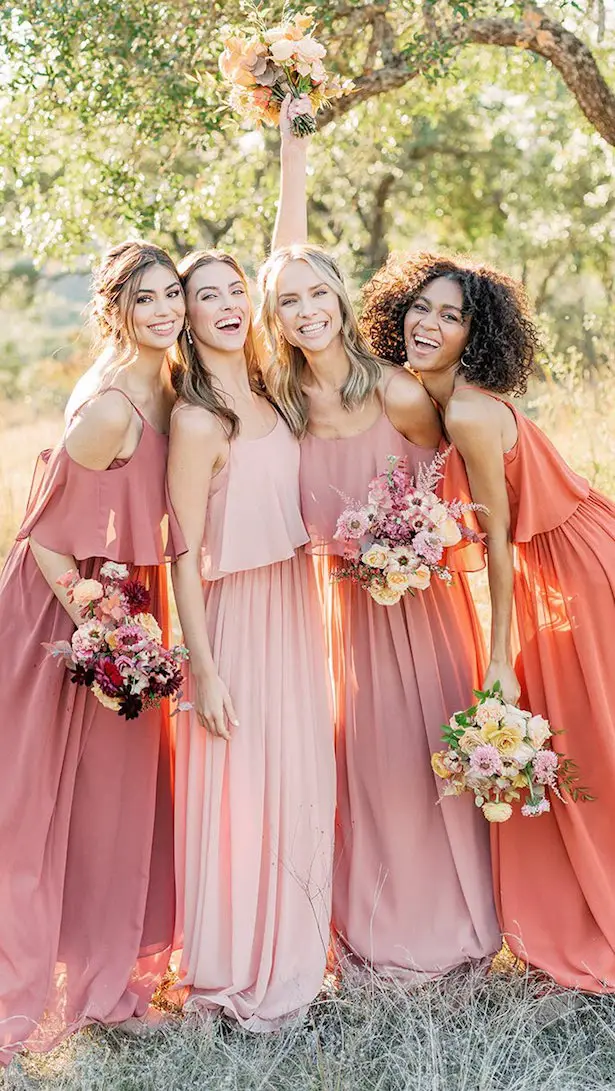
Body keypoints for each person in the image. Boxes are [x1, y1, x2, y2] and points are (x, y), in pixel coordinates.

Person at [257, 118, 500, 980]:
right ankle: (369, 932)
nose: (308, 310)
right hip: (343, 615)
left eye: (320, 293)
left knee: (429, 756)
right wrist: (291, 154)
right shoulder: (281, 402)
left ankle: (456, 932)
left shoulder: (395, 392)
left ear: (341, 297)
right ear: (275, 317)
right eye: (291, 301)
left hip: (423, 610)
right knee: (364, 766)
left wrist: (415, 543)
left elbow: (458, 492)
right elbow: (281, 263)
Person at [360, 250, 615, 991]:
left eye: (450, 315)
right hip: (551, 561)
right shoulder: (425, 399)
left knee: (586, 731)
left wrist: (498, 657)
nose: (427, 324)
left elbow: (500, 544)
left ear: (476, 336)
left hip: (570, 563)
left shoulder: (468, 410)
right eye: (420, 307)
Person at [0, 241, 186, 1063]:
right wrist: (92, 616)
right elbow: (41, 528)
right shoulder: (112, 401)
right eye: (145, 299)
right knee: (39, 801)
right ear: (116, 308)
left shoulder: (172, 381)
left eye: (172, 293)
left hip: (125, 600)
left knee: (115, 802)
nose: (165, 311)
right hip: (65, 606)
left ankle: (108, 979)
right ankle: (44, 976)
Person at [167, 246, 335, 1031]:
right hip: (231, 617)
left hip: (294, 601)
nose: (229, 303)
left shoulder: (271, 384)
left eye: (236, 289)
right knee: (237, 791)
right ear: (187, 317)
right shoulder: (196, 418)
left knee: (294, 778)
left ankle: (296, 957)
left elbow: (288, 245)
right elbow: (181, 552)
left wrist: (290, 140)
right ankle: (231, 968)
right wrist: (203, 668)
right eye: (209, 295)